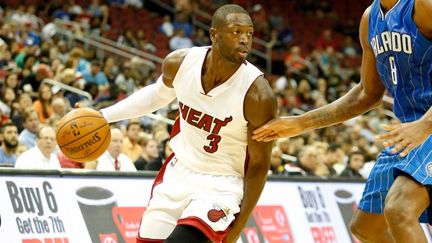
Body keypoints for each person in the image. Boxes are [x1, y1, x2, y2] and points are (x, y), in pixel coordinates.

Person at [253, 0, 432, 242]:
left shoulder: (423, 6)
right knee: (366, 227)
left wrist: (424, 125)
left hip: (425, 126)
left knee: (399, 209)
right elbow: (366, 94)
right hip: (406, 133)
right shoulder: (370, 19)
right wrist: (301, 123)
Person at [98, 4, 276, 242]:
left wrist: (240, 224)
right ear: (214, 34)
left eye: (249, 33)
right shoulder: (180, 63)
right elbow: (156, 96)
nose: (245, 40)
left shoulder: (258, 94)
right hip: (179, 173)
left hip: (221, 184)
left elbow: (259, 164)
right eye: (236, 32)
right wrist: (103, 116)